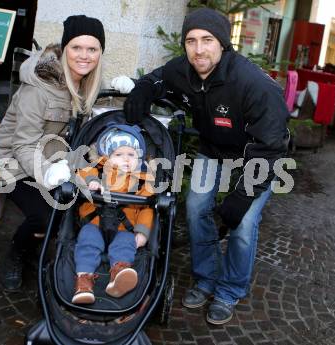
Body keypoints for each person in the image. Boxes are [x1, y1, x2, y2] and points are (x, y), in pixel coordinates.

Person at [122, 8, 289, 324]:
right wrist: (142, 90)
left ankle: (229, 290)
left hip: (259, 159)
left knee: (242, 226)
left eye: (207, 40)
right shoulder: (184, 70)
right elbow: (156, 78)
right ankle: (206, 278)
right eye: (191, 41)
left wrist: (241, 197)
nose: (198, 49)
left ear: (223, 44)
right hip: (213, 150)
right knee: (196, 207)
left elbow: (271, 148)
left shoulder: (253, 85)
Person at [0, 15, 106, 291]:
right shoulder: (39, 86)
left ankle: (53, 248)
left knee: (86, 203)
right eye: (77, 47)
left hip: (58, 160)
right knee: (46, 214)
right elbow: (22, 145)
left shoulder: (89, 84)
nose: (84, 56)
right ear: (65, 48)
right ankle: (16, 255)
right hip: (17, 162)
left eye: (92, 49)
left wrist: (127, 93)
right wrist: (49, 174)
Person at [72, 124, 154, 304]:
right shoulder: (99, 170)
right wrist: (92, 182)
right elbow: (83, 171)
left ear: (139, 157)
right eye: (119, 154)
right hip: (94, 222)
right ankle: (84, 281)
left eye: (131, 154)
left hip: (125, 227)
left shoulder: (143, 180)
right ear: (107, 157)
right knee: (87, 243)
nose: (126, 159)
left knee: (125, 245)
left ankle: (119, 274)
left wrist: (142, 232)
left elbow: (146, 209)